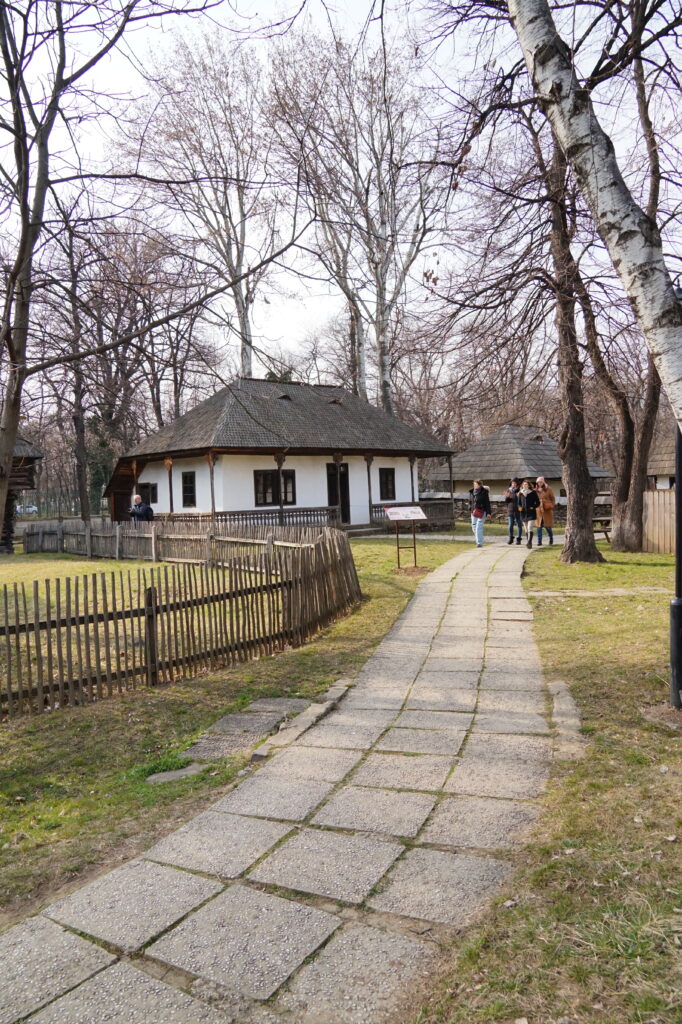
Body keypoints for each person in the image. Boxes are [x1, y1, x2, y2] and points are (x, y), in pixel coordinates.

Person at [469, 479, 491, 547]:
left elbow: (487, 503)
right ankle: (480, 539)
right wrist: (470, 508)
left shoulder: (484, 492)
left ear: (479, 485)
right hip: (473, 512)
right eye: (474, 484)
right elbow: (470, 501)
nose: (474, 485)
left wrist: (488, 513)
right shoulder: (471, 492)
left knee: (479, 527)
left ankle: (479, 543)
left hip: (482, 511)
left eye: (476, 484)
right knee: (474, 527)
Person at [518, 480, 540, 548]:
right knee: (526, 529)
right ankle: (528, 542)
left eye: (526, 484)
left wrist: (533, 507)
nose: (525, 485)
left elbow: (538, 502)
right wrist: (519, 508)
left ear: (529, 485)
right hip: (523, 513)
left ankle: (529, 542)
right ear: (522, 486)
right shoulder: (520, 493)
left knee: (530, 527)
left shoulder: (533, 492)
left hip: (531, 513)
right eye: (524, 484)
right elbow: (519, 503)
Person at [535, 476, 555, 545]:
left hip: (547, 509)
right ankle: (539, 541)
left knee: (547, 526)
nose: (539, 483)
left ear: (543, 482)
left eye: (541, 482)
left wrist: (551, 505)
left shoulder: (548, 489)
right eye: (538, 482)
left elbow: (552, 498)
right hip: (538, 510)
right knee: (539, 526)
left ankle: (551, 538)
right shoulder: (536, 490)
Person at [504, 477, 523, 545]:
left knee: (519, 525)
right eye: (512, 483)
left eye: (515, 483)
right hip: (510, 510)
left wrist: (519, 495)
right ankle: (511, 538)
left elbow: (522, 500)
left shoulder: (520, 490)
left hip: (518, 510)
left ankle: (519, 539)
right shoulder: (509, 490)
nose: (513, 484)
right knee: (510, 525)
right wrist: (507, 497)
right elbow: (507, 501)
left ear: (517, 483)